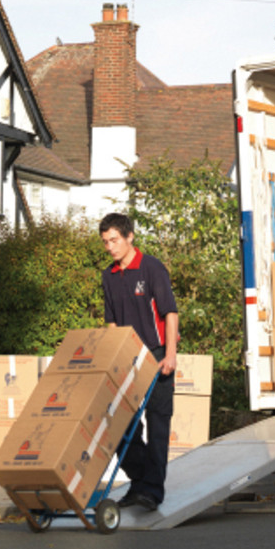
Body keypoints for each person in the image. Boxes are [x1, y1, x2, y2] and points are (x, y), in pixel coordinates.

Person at [99, 212, 179, 511]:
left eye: (114, 240)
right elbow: (110, 322)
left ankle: (151, 492)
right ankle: (140, 481)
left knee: (158, 423)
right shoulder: (109, 275)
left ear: (129, 236)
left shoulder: (152, 268)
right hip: (126, 358)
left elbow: (170, 313)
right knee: (121, 426)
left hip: (157, 354)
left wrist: (170, 354)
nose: (110, 247)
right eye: (105, 242)